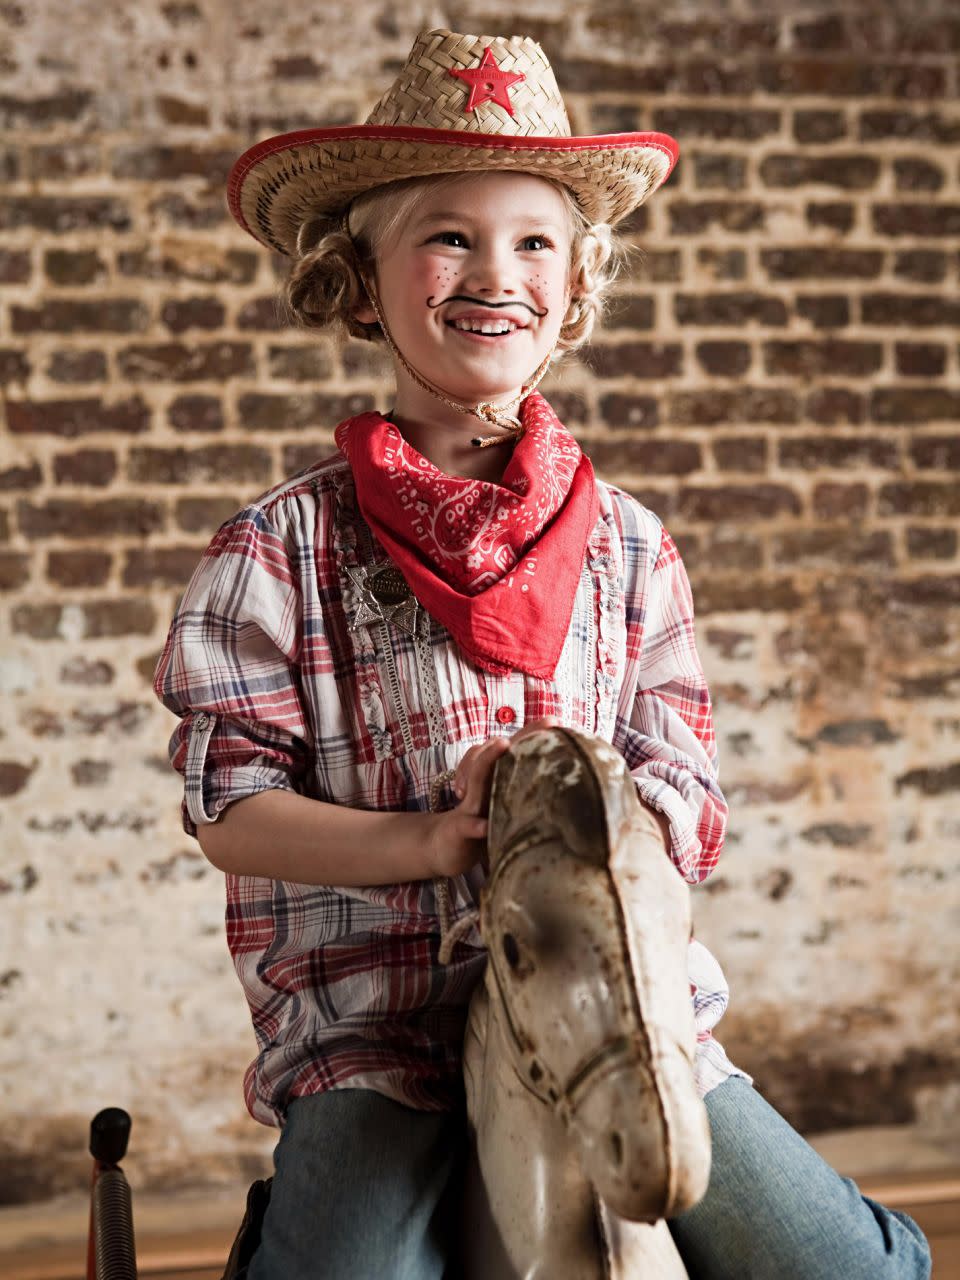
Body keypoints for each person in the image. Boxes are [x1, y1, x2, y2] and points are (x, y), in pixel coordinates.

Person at [154, 28, 932, 1280]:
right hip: (384, 1030)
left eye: (533, 241)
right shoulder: (280, 549)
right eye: (447, 236)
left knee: (849, 1268)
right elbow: (229, 803)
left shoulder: (630, 547)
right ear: (364, 283)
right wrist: (431, 841)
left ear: (573, 289)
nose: (493, 272)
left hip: (612, 1009)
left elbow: (681, 796)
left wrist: (558, 815)